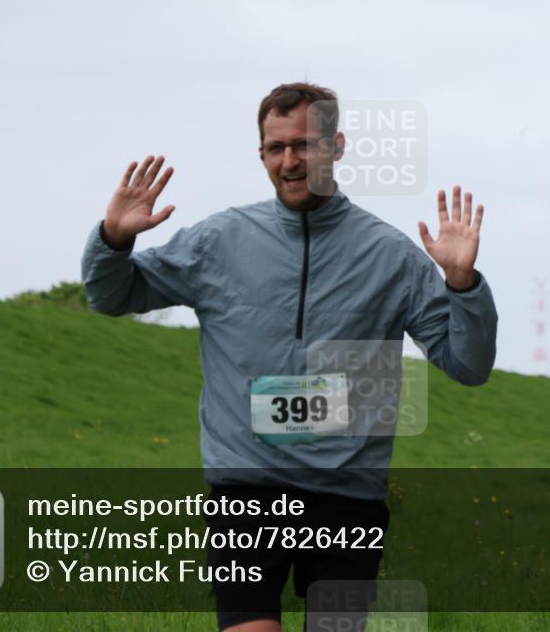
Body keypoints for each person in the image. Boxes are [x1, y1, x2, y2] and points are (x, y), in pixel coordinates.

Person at [81, 82, 498, 632]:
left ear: (337, 146)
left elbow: (467, 365)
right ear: (261, 155)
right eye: (275, 148)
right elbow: (111, 296)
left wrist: (464, 285)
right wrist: (113, 240)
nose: (290, 160)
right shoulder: (218, 241)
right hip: (246, 493)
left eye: (304, 144)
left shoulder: (392, 257)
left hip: (347, 498)